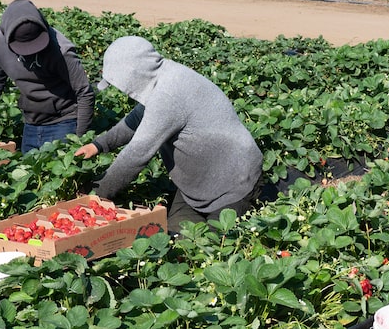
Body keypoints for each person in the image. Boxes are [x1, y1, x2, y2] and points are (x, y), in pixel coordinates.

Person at [74, 35, 263, 230]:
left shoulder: (168, 95)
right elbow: (138, 117)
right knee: (179, 242)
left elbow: (136, 155)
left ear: (132, 75)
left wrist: (96, 195)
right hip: (195, 188)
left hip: (233, 182)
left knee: (212, 250)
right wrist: (99, 145)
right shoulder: (165, 74)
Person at [0, 0, 95, 152]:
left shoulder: (61, 50)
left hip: (63, 123)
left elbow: (85, 93)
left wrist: (80, 139)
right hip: (31, 123)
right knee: (29, 172)